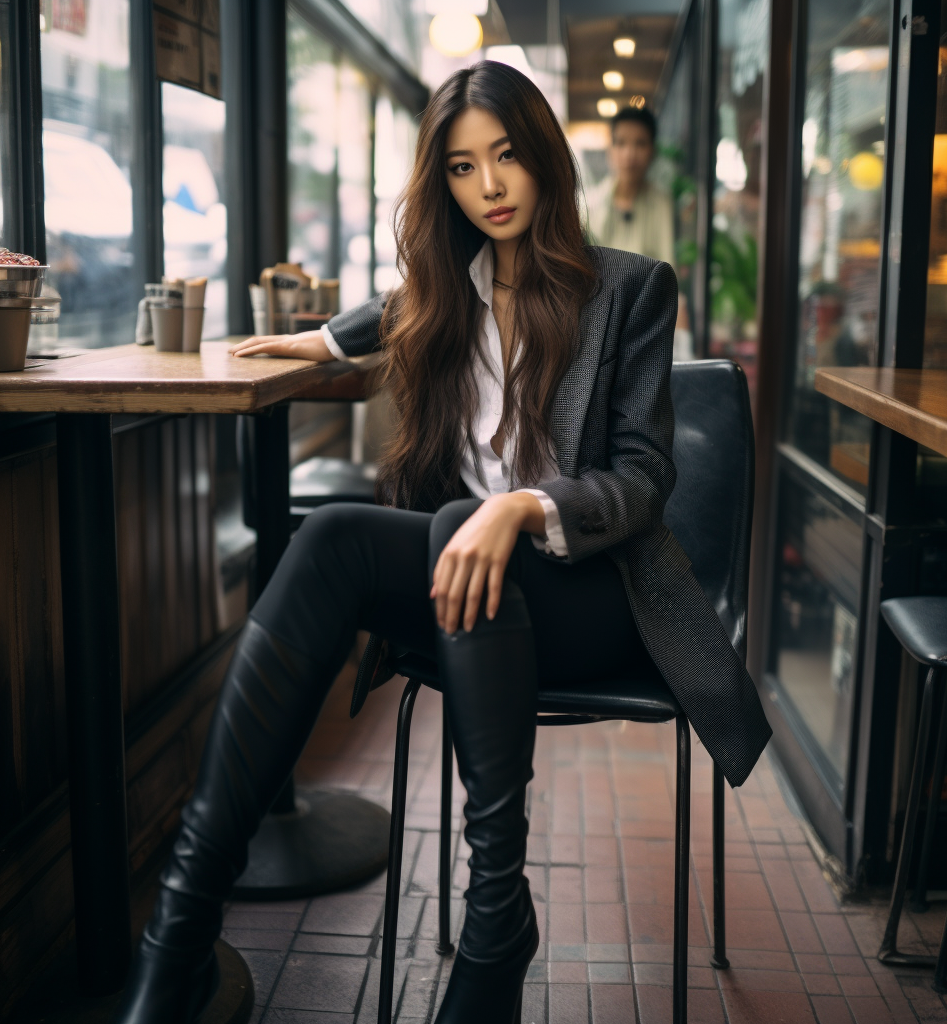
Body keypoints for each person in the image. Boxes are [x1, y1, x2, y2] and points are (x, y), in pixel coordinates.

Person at [112, 61, 770, 1024]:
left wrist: (521, 509)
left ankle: (495, 916)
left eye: (507, 156)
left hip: (593, 594)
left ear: (543, 156)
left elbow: (642, 478)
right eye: (463, 168)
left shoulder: (630, 289)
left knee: (468, 518)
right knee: (335, 534)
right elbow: (391, 310)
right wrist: (317, 342)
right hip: (473, 592)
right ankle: (179, 934)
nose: (491, 186)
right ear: (444, 184)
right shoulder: (445, 289)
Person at [586, 105, 675, 266]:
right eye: (620, 143)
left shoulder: (662, 203)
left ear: (652, 152)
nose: (629, 154)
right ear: (609, 150)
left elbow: (668, 264)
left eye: (640, 144)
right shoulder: (590, 204)